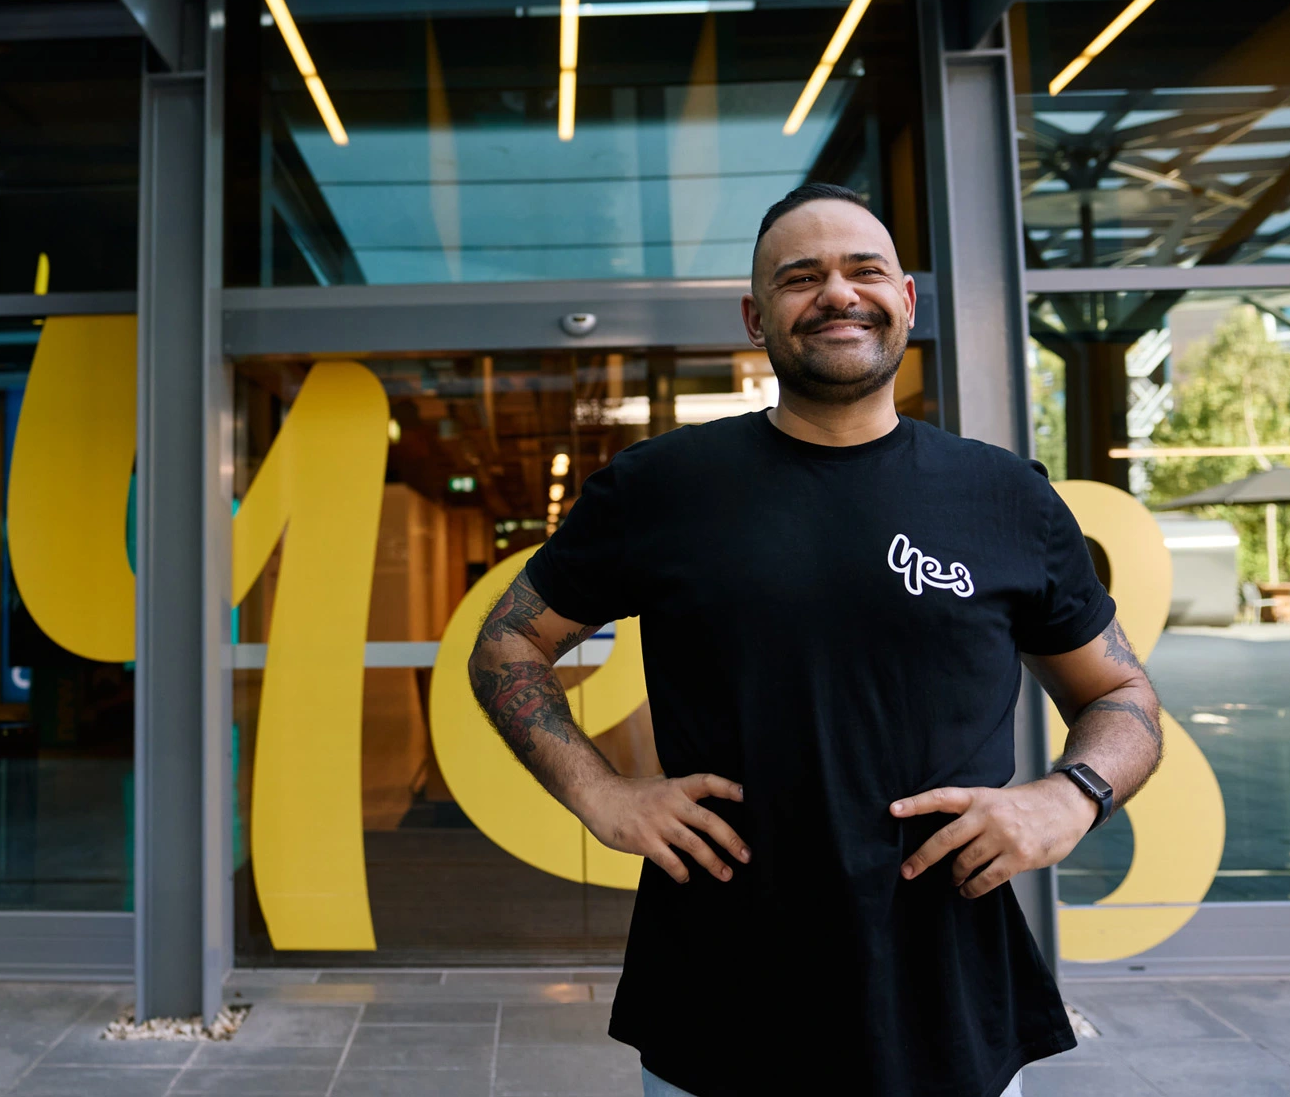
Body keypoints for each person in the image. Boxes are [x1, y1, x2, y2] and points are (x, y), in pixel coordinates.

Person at [466, 182, 1164, 1097]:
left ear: (906, 299)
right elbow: (508, 642)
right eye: (802, 277)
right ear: (756, 318)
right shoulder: (664, 488)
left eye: (864, 269)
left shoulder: (1005, 497)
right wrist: (601, 794)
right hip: (720, 993)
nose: (837, 292)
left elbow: (1123, 697)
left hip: (947, 997)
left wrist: (1070, 799)